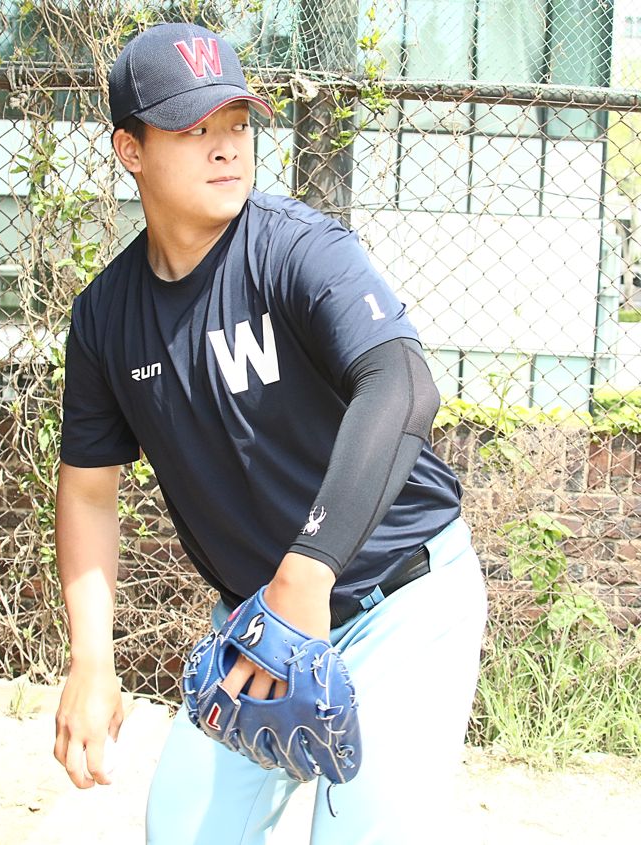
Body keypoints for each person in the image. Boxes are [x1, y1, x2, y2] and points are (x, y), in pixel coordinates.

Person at [53, 20, 487, 845]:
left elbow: (402, 384)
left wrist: (307, 572)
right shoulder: (106, 318)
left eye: (237, 122)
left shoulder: (296, 249)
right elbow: (88, 491)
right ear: (130, 149)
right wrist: (91, 658)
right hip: (262, 625)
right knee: (180, 830)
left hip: (402, 602)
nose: (226, 148)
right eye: (193, 128)